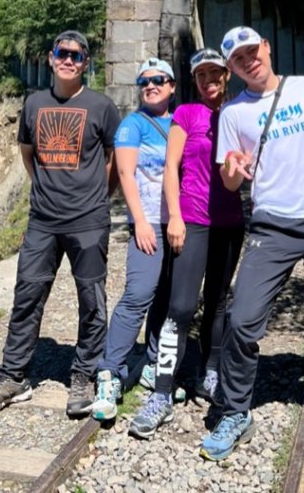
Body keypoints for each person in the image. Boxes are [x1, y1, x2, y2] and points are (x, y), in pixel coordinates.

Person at [200, 26, 304, 469]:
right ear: (232, 69)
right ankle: (236, 412)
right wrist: (233, 168)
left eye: (253, 50)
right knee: (242, 318)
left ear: (267, 48)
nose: (249, 60)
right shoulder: (233, 113)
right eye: (239, 58)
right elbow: (228, 179)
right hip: (273, 226)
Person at [0, 29, 120, 420]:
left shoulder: (102, 107)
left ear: (86, 63)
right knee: (27, 296)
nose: (68, 60)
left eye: (76, 55)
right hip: (43, 221)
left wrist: (97, 199)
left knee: (92, 301)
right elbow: (27, 154)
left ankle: (84, 375)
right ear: (51, 58)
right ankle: (12, 376)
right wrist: (45, 191)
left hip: (88, 220)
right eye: (62, 53)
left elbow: (112, 160)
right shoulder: (34, 104)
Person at [128, 48, 245, 438]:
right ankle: (162, 392)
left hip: (230, 222)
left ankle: (209, 372)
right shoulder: (187, 114)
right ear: (194, 81)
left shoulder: (238, 111)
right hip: (192, 219)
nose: (209, 80)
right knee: (180, 306)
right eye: (201, 75)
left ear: (227, 75)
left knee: (218, 301)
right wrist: (175, 216)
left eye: (215, 73)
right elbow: (170, 168)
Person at [91, 57, 177, 422]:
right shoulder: (132, 125)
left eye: (158, 80)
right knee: (138, 294)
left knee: (167, 297)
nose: (151, 86)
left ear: (172, 86)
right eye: (144, 82)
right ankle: (110, 372)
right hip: (150, 223)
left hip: (180, 222)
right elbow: (125, 174)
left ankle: (154, 363)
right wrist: (139, 221)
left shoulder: (180, 122)